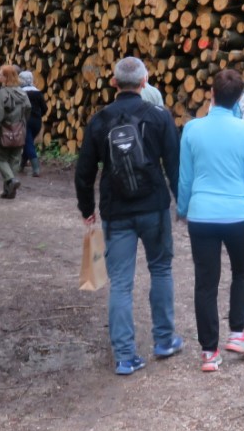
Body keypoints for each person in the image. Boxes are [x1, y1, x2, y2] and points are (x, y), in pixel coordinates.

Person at [74, 56, 182, 376]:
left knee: (120, 282)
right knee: (161, 269)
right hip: (154, 207)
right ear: (145, 82)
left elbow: (83, 172)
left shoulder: (99, 120)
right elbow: (174, 167)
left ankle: (125, 356)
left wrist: (87, 210)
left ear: (113, 83)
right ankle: (164, 340)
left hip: (115, 210)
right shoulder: (160, 117)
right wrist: (182, 204)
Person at [178, 68, 244, 373]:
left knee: (206, 282)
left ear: (211, 95)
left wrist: (183, 208)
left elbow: (185, 178)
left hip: (201, 214)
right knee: (243, 271)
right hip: (238, 213)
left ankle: (208, 354)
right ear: (240, 99)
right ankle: (238, 333)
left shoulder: (192, 129)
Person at [0, 64, 31, 199]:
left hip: (4, 131)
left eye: (0, 74)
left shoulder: (2, 93)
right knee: (14, 159)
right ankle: (9, 191)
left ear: (6, 77)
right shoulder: (22, 92)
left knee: (1, 158)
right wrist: (22, 123)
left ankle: (11, 181)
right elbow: (28, 108)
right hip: (19, 130)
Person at [18, 70, 46, 177]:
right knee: (28, 141)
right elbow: (44, 108)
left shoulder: (19, 92)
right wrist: (38, 116)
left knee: (28, 143)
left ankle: (36, 169)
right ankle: (21, 166)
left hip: (25, 121)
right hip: (37, 122)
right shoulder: (38, 93)